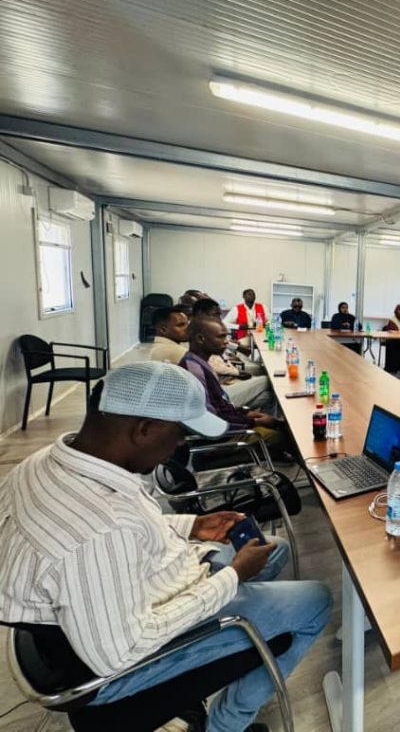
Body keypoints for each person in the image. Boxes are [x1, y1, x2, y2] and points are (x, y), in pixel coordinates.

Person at [0, 362, 331, 732]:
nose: (180, 445)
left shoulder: (45, 464)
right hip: (123, 662)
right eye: (180, 433)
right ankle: (224, 726)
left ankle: (250, 630)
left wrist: (192, 525)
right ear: (143, 429)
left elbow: (129, 530)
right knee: (315, 601)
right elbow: (123, 650)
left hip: (140, 592)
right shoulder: (96, 530)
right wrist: (232, 579)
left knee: (273, 548)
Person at [180, 318, 280, 436]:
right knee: (280, 436)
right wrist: (253, 423)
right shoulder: (195, 371)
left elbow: (221, 403)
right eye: (221, 337)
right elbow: (214, 418)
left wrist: (245, 413)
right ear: (201, 339)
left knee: (267, 397)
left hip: (228, 420)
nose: (226, 342)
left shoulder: (199, 362)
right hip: (222, 435)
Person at [192, 299, 272, 409]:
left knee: (268, 395)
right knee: (269, 379)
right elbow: (212, 364)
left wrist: (233, 353)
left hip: (228, 370)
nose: (219, 319)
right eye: (215, 314)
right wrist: (237, 372)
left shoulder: (206, 330)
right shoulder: (197, 335)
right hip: (220, 390)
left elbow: (223, 351)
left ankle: (258, 417)